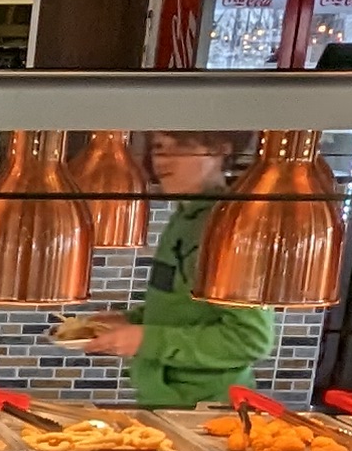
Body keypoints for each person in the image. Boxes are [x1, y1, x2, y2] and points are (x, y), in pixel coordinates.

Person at [66, 131, 278, 407]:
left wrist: (146, 339)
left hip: (208, 410)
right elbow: (182, 306)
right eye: (159, 147)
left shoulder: (230, 227)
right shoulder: (183, 217)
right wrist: (131, 321)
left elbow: (250, 339)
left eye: (181, 147)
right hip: (162, 401)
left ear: (221, 150)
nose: (163, 160)